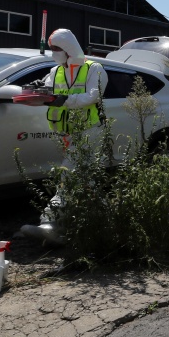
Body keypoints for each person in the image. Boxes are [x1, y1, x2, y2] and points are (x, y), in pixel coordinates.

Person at [20, 29, 108, 245]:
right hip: (65, 132)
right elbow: (47, 90)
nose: (54, 53)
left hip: (89, 130)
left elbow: (92, 96)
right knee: (87, 180)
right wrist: (37, 92)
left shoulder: (93, 68)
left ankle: (49, 223)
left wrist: (60, 100)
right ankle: (106, 221)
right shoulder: (55, 71)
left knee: (68, 175)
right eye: (51, 49)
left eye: (56, 49)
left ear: (69, 49)